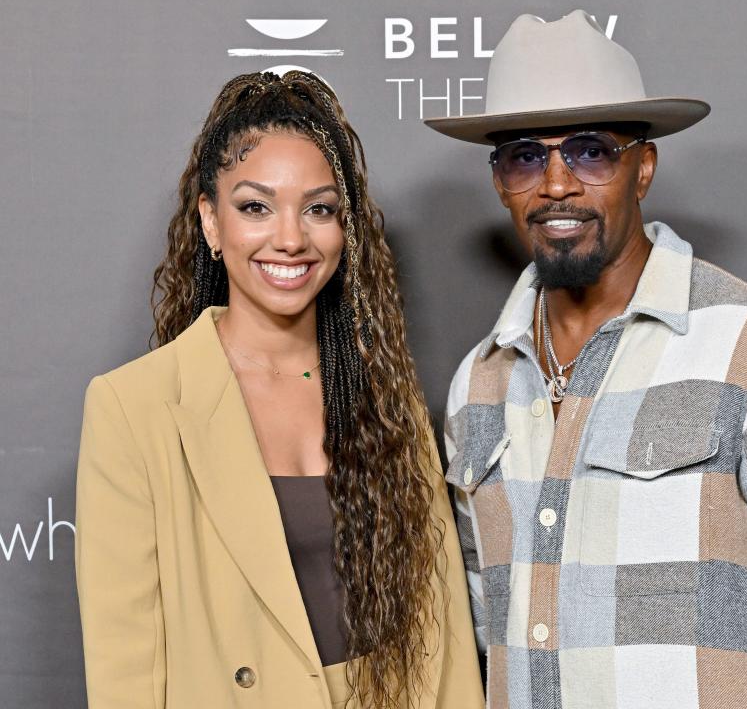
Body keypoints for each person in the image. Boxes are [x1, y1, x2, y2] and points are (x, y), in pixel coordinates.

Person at [426, 10, 747, 709]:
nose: (556, 184)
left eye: (589, 151)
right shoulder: (479, 383)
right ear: (500, 181)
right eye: (526, 155)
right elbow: (485, 627)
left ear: (642, 167)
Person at [75, 71, 484, 709]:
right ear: (211, 221)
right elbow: (124, 667)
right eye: (255, 206)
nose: (291, 238)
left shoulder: (385, 397)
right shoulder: (136, 407)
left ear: (345, 229)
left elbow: (447, 628)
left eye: (318, 208)